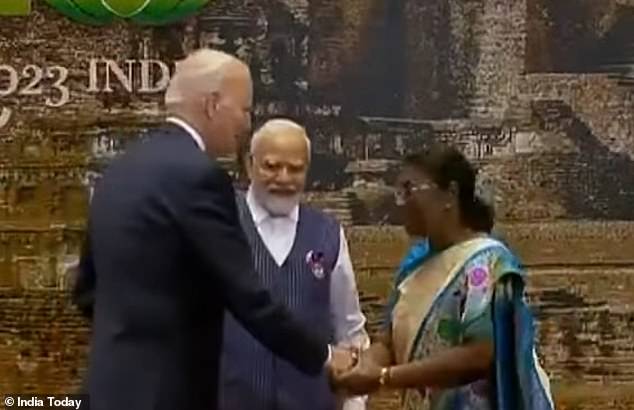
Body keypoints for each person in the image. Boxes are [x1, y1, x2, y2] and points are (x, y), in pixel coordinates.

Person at [72, 49, 355, 410]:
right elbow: (248, 297)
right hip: (170, 394)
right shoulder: (198, 177)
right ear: (212, 105)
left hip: (110, 388)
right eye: (245, 110)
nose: (245, 124)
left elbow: (87, 290)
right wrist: (326, 356)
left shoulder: (118, 171)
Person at [334, 144, 554, 410]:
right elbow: (389, 341)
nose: (400, 201)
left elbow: (479, 355)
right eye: (398, 191)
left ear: (449, 194)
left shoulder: (486, 263)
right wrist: (367, 363)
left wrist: (384, 377)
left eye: (409, 190)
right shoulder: (414, 266)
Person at [219, 118, 370, 410]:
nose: (284, 178)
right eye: (272, 166)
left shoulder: (328, 234)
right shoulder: (220, 226)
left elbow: (349, 328)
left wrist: (354, 403)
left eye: (295, 169)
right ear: (250, 165)